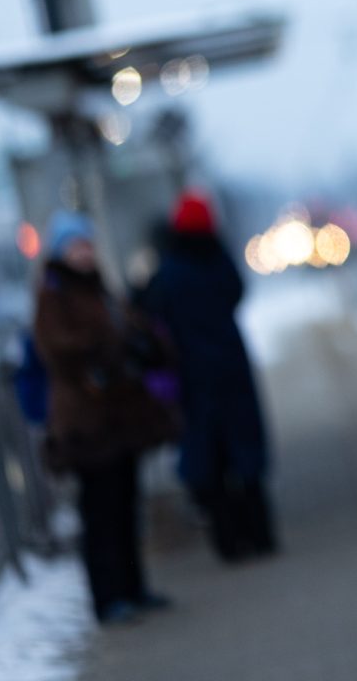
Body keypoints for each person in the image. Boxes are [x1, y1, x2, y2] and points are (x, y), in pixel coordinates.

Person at [33, 211, 175, 625]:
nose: (85, 253)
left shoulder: (99, 288)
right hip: (87, 422)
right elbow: (57, 348)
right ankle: (107, 597)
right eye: (77, 246)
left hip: (118, 416)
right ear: (62, 251)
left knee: (126, 504)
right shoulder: (53, 293)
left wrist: (142, 342)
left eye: (88, 245)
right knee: (100, 512)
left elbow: (129, 327)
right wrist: (109, 347)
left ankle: (133, 587)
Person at [145, 191, 277, 561]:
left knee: (213, 462)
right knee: (246, 454)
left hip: (194, 375)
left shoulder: (170, 270)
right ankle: (262, 535)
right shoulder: (218, 259)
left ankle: (230, 543)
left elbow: (156, 309)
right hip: (232, 367)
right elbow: (237, 292)